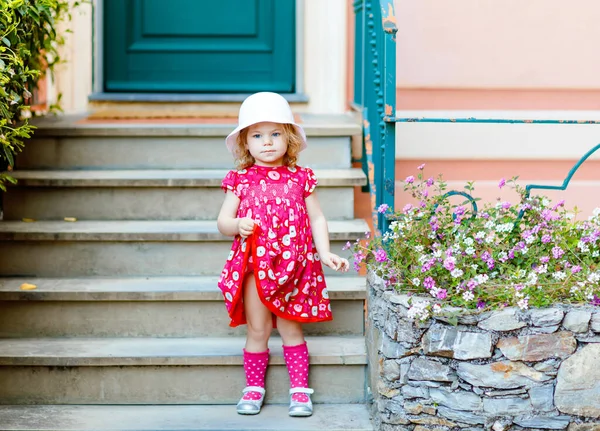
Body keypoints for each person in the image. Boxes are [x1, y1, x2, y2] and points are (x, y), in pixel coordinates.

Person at [217, 92, 350, 417]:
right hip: (255, 267)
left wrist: (325, 252)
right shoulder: (241, 180)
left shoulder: (300, 178)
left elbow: (316, 217)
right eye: (257, 135)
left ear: (288, 138)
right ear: (245, 144)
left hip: (295, 266)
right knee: (258, 329)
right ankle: (253, 387)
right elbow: (222, 222)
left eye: (275, 133)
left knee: (292, 329)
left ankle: (300, 391)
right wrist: (238, 224)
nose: (267, 142)